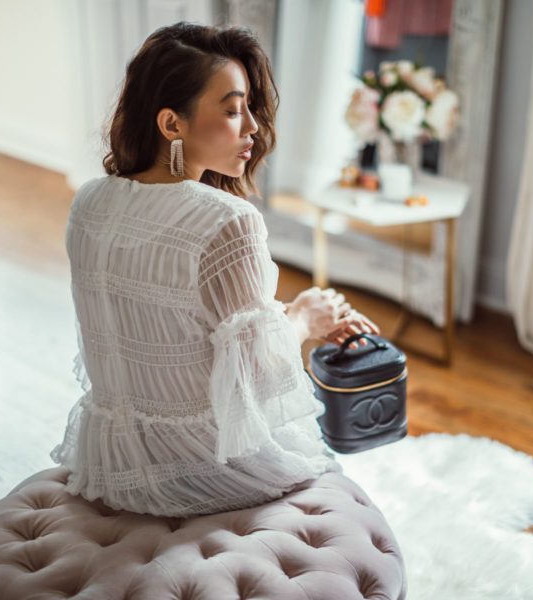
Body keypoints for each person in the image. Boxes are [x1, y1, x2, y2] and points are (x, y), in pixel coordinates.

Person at [50, 21, 381, 517]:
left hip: (110, 464)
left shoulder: (90, 199)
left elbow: (174, 329)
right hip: (202, 469)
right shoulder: (229, 220)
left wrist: (278, 316)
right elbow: (256, 385)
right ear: (171, 124)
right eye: (231, 110)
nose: (251, 126)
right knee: (333, 454)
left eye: (248, 107)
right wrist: (306, 321)